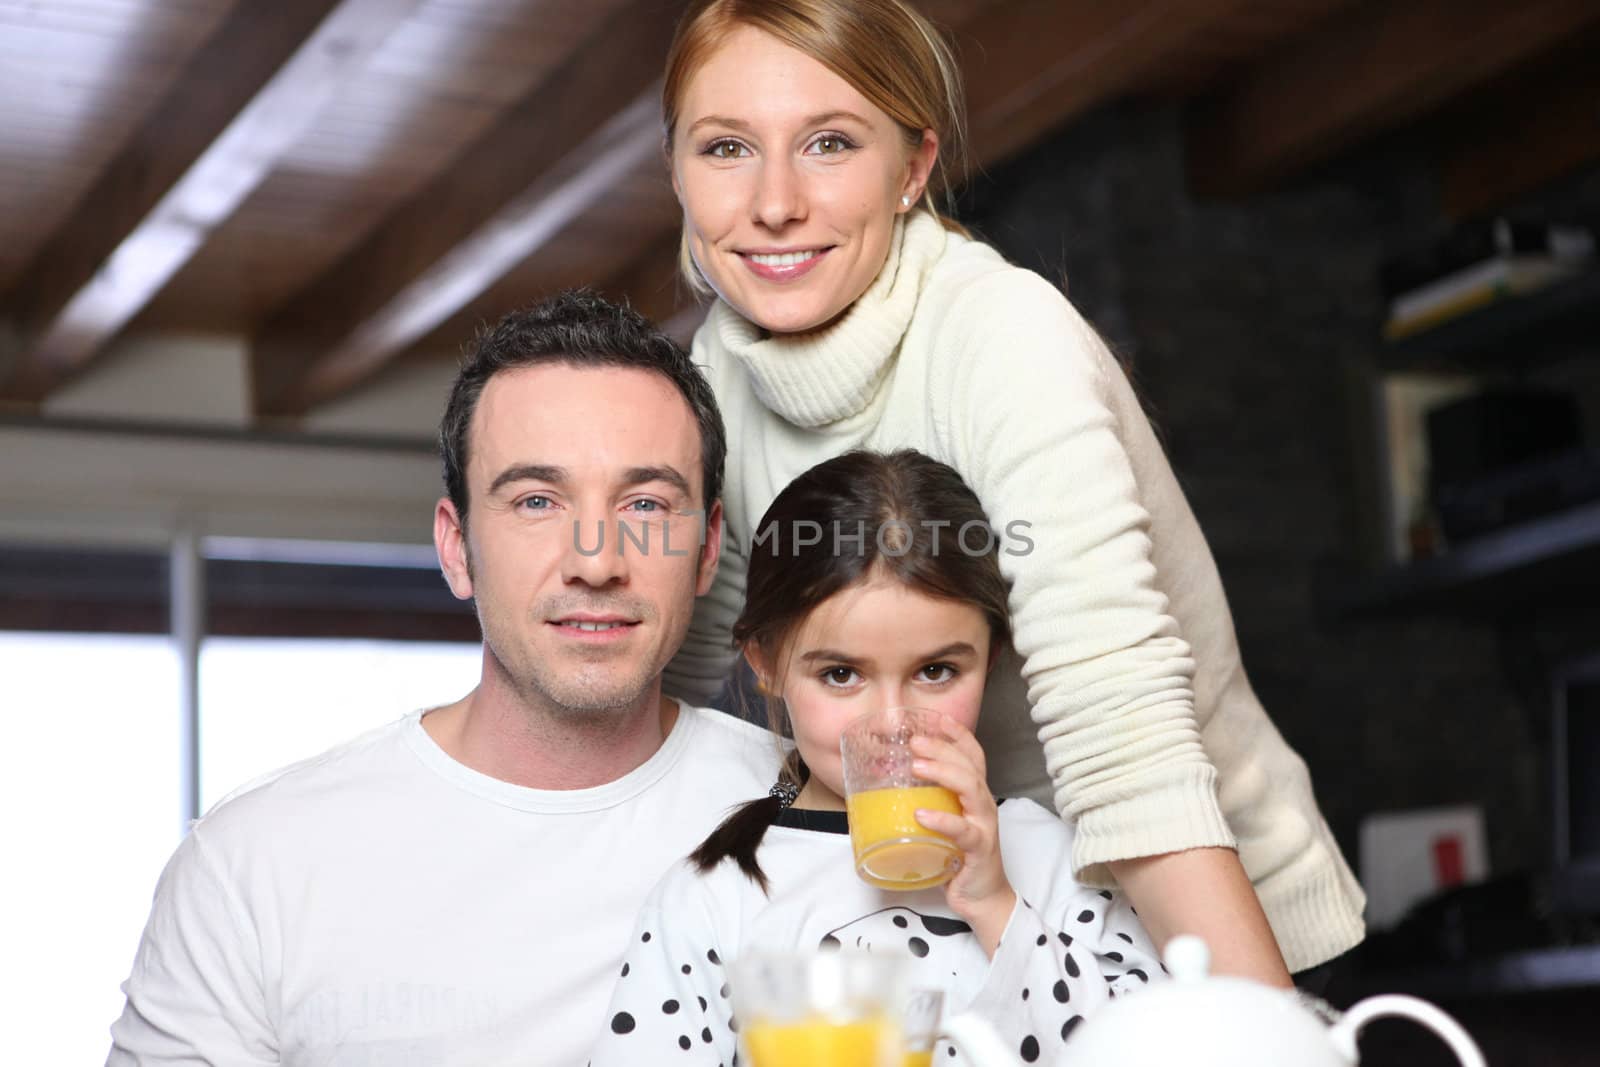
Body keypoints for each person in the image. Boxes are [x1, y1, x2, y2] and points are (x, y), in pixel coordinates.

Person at [657, 0, 1366, 982]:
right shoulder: (716, 377)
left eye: (828, 142)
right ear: (677, 171)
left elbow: (1124, 734)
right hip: (957, 932)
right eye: (726, 147)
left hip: (1173, 920)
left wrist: (1249, 1027)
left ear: (911, 168)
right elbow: (689, 697)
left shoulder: (1003, 343)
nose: (774, 201)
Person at [107, 291, 779, 1066]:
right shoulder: (254, 865)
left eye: (647, 503)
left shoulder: (817, 812)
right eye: (536, 500)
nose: (597, 560)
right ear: (457, 548)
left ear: (706, 551)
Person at [591, 450, 1164, 1067]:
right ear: (765, 664)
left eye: (937, 670)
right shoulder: (714, 897)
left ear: (991, 657)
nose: (892, 725)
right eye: (841, 674)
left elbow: (1151, 1049)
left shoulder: (1046, 859)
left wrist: (996, 903)